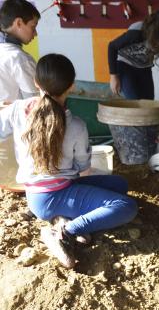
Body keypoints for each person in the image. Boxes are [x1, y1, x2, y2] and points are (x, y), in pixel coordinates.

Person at [0, 54, 138, 269]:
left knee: (120, 185)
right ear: (71, 86)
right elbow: (83, 168)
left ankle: (62, 217)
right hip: (51, 196)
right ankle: (64, 232)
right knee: (126, 206)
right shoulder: (76, 125)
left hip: (37, 192)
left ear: (36, 83)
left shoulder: (18, 109)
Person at [108, 9, 159, 100]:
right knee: (135, 103)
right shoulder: (137, 33)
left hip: (144, 67)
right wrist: (113, 76)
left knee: (149, 102)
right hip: (125, 65)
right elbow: (112, 46)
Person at [0, 0, 39, 103]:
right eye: (33, 26)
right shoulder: (20, 59)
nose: (35, 34)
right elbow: (34, 104)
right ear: (18, 23)